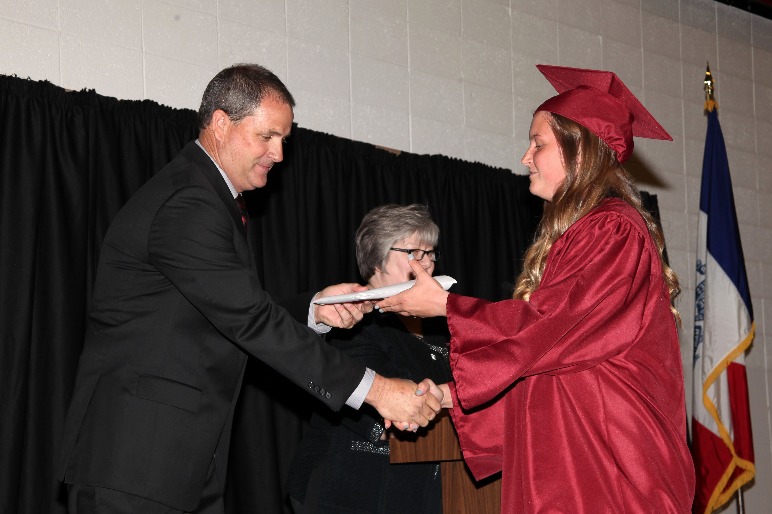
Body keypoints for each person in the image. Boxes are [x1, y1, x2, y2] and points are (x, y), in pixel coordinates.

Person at [58, 64, 440, 514]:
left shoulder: (210, 198)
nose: (279, 155)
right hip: (137, 464)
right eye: (267, 137)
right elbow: (249, 319)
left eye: (284, 140)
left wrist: (315, 310)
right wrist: (377, 390)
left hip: (174, 464)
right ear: (221, 124)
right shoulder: (190, 201)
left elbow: (223, 311)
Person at [377, 65, 695, 513]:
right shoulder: (585, 234)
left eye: (538, 143)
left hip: (612, 471)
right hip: (575, 461)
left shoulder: (613, 230)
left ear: (580, 151)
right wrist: (446, 396)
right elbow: (550, 369)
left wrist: (446, 305)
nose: (525, 157)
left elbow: (548, 330)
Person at [288, 204, 452, 514]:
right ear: (377, 260)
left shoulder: (438, 328)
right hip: (348, 488)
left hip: (422, 491)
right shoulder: (348, 317)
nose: (427, 264)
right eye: (415, 253)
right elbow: (380, 404)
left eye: (431, 253)